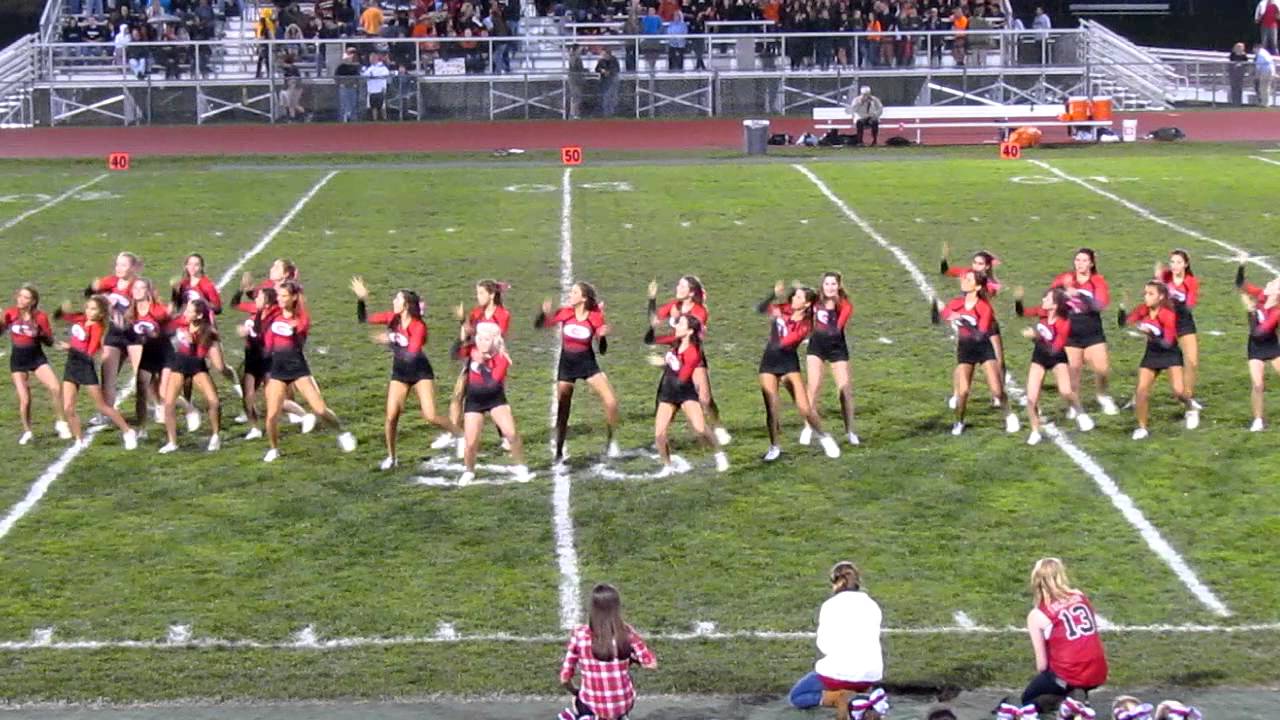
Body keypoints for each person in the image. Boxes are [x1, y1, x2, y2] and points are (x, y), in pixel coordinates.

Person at [351, 277, 459, 471]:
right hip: (399, 372)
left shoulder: (419, 327)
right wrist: (361, 299)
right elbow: (363, 319)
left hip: (420, 372)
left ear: (407, 305)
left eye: (397, 299)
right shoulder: (392, 318)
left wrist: (389, 341)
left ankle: (461, 435)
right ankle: (392, 457)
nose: (393, 301)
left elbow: (412, 354)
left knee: (431, 415)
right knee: (391, 416)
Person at [260, 280, 357, 462]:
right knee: (272, 414)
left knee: (320, 409)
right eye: (279, 296)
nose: (279, 300)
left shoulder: (301, 317)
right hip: (278, 370)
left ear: (294, 297)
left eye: (284, 296)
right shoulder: (274, 315)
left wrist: (294, 328)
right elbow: (268, 342)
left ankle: (342, 433)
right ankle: (274, 449)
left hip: (298, 368)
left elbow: (301, 329)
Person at [537, 282, 620, 464]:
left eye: (575, 292)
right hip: (566, 364)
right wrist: (543, 313)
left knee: (611, 402)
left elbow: (603, 349)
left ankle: (611, 441)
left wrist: (603, 336)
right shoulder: (565, 313)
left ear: (584, 298)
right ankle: (558, 451)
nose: (570, 294)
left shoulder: (595, 317)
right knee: (563, 409)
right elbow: (540, 325)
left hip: (587, 363)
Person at [757, 281, 841, 461]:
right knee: (771, 408)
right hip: (768, 362)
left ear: (807, 304)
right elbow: (761, 308)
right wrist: (772, 294)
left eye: (799, 297)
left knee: (804, 407)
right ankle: (774, 447)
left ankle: (824, 437)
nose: (794, 298)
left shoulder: (806, 324)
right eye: (794, 296)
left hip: (787, 363)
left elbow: (786, 342)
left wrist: (782, 318)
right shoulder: (784, 308)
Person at [788, 561, 885, 716]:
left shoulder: (829, 606)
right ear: (858, 581)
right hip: (870, 676)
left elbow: (824, 645)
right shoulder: (873, 605)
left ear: (834, 582)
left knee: (797, 696)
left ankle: (838, 697)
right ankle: (864, 701)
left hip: (838, 675)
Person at [933, 270, 1018, 436]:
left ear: (977, 287)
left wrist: (962, 318)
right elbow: (940, 318)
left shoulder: (984, 307)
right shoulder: (956, 302)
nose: (963, 280)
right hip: (965, 349)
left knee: (997, 390)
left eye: (968, 279)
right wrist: (936, 309)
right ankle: (959, 421)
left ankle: (1008, 414)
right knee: (963, 391)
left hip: (983, 348)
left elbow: (980, 334)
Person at [647, 276, 730, 445]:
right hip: (676, 356)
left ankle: (717, 426)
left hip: (693, 356)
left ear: (691, 293)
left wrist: (680, 318)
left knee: (705, 399)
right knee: (664, 398)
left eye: (682, 285)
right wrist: (652, 299)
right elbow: (654, 320)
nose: (677, 287)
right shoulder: (673, 305)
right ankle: (661, 437)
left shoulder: (699, 311)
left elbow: (692, 333)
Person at [433, 279, 512, 454]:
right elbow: (467, 334)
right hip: (474, 360)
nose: (478, 297)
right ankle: (452, 433)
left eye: (481, 293)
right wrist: (463, 321)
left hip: (492, 362)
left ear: (492, 295)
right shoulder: (476, 313)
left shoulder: (502, 314)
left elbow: (498, 338)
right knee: (457, 395)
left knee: (495, 403)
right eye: (477, 293)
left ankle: (505, 437)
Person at [558, 583, 657, 720]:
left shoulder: (580, 635)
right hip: (623, 703)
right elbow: (651, 664)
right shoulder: (627, 633)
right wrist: (632, 658)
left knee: (577, 702)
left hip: (592, 703)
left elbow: (565, 679)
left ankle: (586, 717)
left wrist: (575, 692)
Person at [1021, 558, 1108, 712]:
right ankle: (1076, 696)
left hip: (1070, 674)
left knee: (1028, 700)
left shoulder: (1037, 615)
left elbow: (1042, 665)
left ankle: (1066, 704)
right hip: (1098, 670)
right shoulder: (1079, 595)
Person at [645, 314, 728, 475]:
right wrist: (652, 326)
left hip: (685, 392)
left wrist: (664, 364)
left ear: (689, 331)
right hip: (667, 392)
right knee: (659, 434)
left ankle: (719, 454)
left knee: (700, 428)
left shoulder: (693, 352)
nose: (676, 326)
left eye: (681, 324)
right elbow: (649, 340)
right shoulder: (674, 340)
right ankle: (667, 466)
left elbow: (683, 378)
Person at [54, 296, 139, 450]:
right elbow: (61, 317)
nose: (88, 311)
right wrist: (62, 309)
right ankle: (79, 440)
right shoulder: (81, 318)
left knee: (102, 406)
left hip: (85, 367)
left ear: (100, 313)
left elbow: (90, 353)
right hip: (71, 366)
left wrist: (69, 348)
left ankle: (128, 431)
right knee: (68, 407)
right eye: (87, 307)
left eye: (93, 309)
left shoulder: (97, 328)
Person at [1014, 287, 1093, 445]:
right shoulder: (1042, 312)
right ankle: (1035, 431)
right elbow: (1022, 313)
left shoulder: (1064, 323)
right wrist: (1018, 301)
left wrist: (1036, 337)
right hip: (1039, 357)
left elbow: (1054, 349)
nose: (1043, 300)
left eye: (1047, 299)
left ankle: (1080, 412)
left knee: (1065, 391)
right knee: (1031, 398)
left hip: (1057, 357)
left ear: (1055, 305)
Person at [1117, 281, 1196, 440]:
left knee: (1179, 392)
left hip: (1170, 353)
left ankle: (1190, 408)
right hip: (1152, 353)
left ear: (1160, 297)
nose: (1146, 297)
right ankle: (1142, 427)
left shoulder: (1168, 314)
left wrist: (1150, 333)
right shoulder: (1143, 310)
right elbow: (1123, 324)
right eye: (1145, 293)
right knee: (1141, 391)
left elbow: (1167, 342)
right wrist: (1122, 309)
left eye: (1150, 294)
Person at [458, 323, 531, 485]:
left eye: (487, 340)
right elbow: (455, 352)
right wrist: (462, 337)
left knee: (511, 434)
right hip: (474, 401)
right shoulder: (472, 351)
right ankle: (469, 471)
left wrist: (482, 364)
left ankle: (520, 466)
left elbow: (492, 383)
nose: (482, 343)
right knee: (470, 442)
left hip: (495, 399)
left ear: (495, 341)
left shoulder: (501, 358)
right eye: (480, 339)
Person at [1051, 248, 1118, 416]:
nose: (1080, 263)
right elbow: (1050, 298)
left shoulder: (1097, 281)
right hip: (1070, 333)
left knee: (1102, 369)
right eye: (1077, 260)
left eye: (1084, 260)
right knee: (1073, 373)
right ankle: (1075, 405)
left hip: (1092, 332)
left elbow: (1099, 305)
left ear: (1091, 263)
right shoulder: (1064, 279)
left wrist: (1079, 295)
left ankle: (1102, 395)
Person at [3, 286, 71, 445]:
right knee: (25, 399)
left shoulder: (40, 317)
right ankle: (27, 431)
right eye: (20, 295)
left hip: (36, 358)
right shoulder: (9, 313)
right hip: (18, 360)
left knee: (55, 387)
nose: (21, 299)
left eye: (25, 297)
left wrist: (61, 345)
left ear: (33, 301)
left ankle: (61, 423)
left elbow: (47, 340)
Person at [941, 245, 1006, 402]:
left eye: (980, 264)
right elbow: (947, 271)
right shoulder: (967, 274)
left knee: (998, 359)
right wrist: (943, 259)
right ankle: (957, 393)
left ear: (987, 266)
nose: (976, 266)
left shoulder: (990, 283)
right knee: (962, 360)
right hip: (968, 324)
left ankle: (998, 393)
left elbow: (989, 293)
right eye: (975, 263)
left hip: (987, 324)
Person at [800, 272, 859, 447]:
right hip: (816, 347)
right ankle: (808, 427)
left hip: (836, 348)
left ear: (839, 286)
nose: (830, 287)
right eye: (827, 284)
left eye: (834, 284)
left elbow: (836, 329)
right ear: (822, 285)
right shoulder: (815, 299)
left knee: (844, 391)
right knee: (813, 388)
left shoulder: (845, 305)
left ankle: (850, 431)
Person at [159, 298, 222, 453]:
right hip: (179, 365)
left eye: (189, 311)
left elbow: (200, 356)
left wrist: (192, 342)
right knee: (168, 404)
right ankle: (172, 442)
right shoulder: (181, 322)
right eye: (186, 309)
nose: (185, 313)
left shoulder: (207, 332)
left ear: (199, 315)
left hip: (197, 368)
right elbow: (165, 326)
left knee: (214, 402)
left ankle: (215, 436)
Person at [88, 252, 142, 412]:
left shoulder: (138, 285)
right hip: (114, 335)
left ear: (132, 267)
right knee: (108, 379)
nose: (119, 268)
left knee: (143, 376)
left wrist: (122, 312)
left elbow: (143, 311)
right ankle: (107, 411)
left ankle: (160, 406)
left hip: (135, 336)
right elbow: (92, 292)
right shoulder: (110, 281)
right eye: (117, 264)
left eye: (124, 265)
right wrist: (98, 294)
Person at [1155, 250, 1201, 410]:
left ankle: (1187, 396)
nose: (1175, 266)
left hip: (1183, 323)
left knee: (1192, 361)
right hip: (1166, 323)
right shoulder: (1165, 276)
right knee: (1158, 362)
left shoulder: (1190, 281)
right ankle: (1138, 396)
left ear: (1186, 264)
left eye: (1179, 262)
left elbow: (1190, 305)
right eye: (1172, 262)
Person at [1237, 264, 1280, 431]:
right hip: (1255, 348)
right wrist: (1241, 266)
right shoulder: (1261, 295)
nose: (1270, 282)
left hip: (1271, 345)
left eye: (1275, 283)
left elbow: (1259, 333)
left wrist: (1251, 312)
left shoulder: (1276, 312)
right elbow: (1241, 284)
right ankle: (1258, 420)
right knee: (1257, 385)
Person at [335, 47, 362, 122]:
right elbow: (336, 77)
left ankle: (353, 120)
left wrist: (355, 84)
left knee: (353, 104)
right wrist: (340, 84)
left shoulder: (355, 67)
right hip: (343, 88)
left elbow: (358, 78)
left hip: (352, 88)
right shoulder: (341, 67)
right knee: (343, 105)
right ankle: (342, 120)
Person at [362, 51, 391, 120]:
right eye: (370, 58)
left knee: (382, 106)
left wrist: (373, 76)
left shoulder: (382, 67)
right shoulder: (369, 68)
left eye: (372, 57)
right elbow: (364, 75)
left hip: (381, 90)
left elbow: (386, 74)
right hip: (371, 91)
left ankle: (385, 119)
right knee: (373, 107)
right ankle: (375, 121)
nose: (371, 59)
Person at [597, 47, 620, 117]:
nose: (603, 56)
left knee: (613, 98)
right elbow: (597, 68)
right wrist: (601, 70)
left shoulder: (614, 60)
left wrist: (609, 72)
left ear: (608, 54)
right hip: (604, 81)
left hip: (613, 81)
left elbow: (617, 69)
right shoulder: (601, 61)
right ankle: (606, 114)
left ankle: (612, 113)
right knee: (605, 97)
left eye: (604, 54)